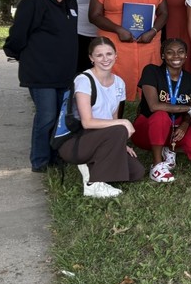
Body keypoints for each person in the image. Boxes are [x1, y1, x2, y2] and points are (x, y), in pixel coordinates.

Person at [4, 0, 79, 172]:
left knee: (60, 118)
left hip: (64, 72)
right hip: (40, 72)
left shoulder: (70, 1)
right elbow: (18, 35)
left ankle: (57, 157)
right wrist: (19, 54)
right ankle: (40, 161)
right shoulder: (34, 1)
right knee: (46, 117)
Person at [55, 37, 145, 197]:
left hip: (101, 138)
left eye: (109, 54)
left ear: (116, 55)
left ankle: (92, 165)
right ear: (91, 58)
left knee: (136, 172)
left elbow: (112, 119)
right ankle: (92, 184)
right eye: (99, 55)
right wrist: (123, 123)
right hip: (76, 142)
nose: (105, 59)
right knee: (119, 128)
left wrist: (120, 144)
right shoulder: (84, 80)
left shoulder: (119, 83)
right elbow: (87, 122)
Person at [90, 0, 167, 100]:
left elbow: (164, 13)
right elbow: (94, 15)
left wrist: (153, 31)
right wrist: (118, 29)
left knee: (149, 90)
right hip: (116, 45)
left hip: (148, 44)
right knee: (113, 92)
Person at [132, 38, 191, 183]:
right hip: (148, 127)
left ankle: (169, 149)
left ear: (186, 55)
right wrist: (189, 108)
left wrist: (185, 124)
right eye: (170, 53)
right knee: (160, 115)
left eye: (180, 52)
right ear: (163, 55)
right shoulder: (152, 71)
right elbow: (154, 106)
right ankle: (157, 165)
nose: (176, 56)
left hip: (175, 127)